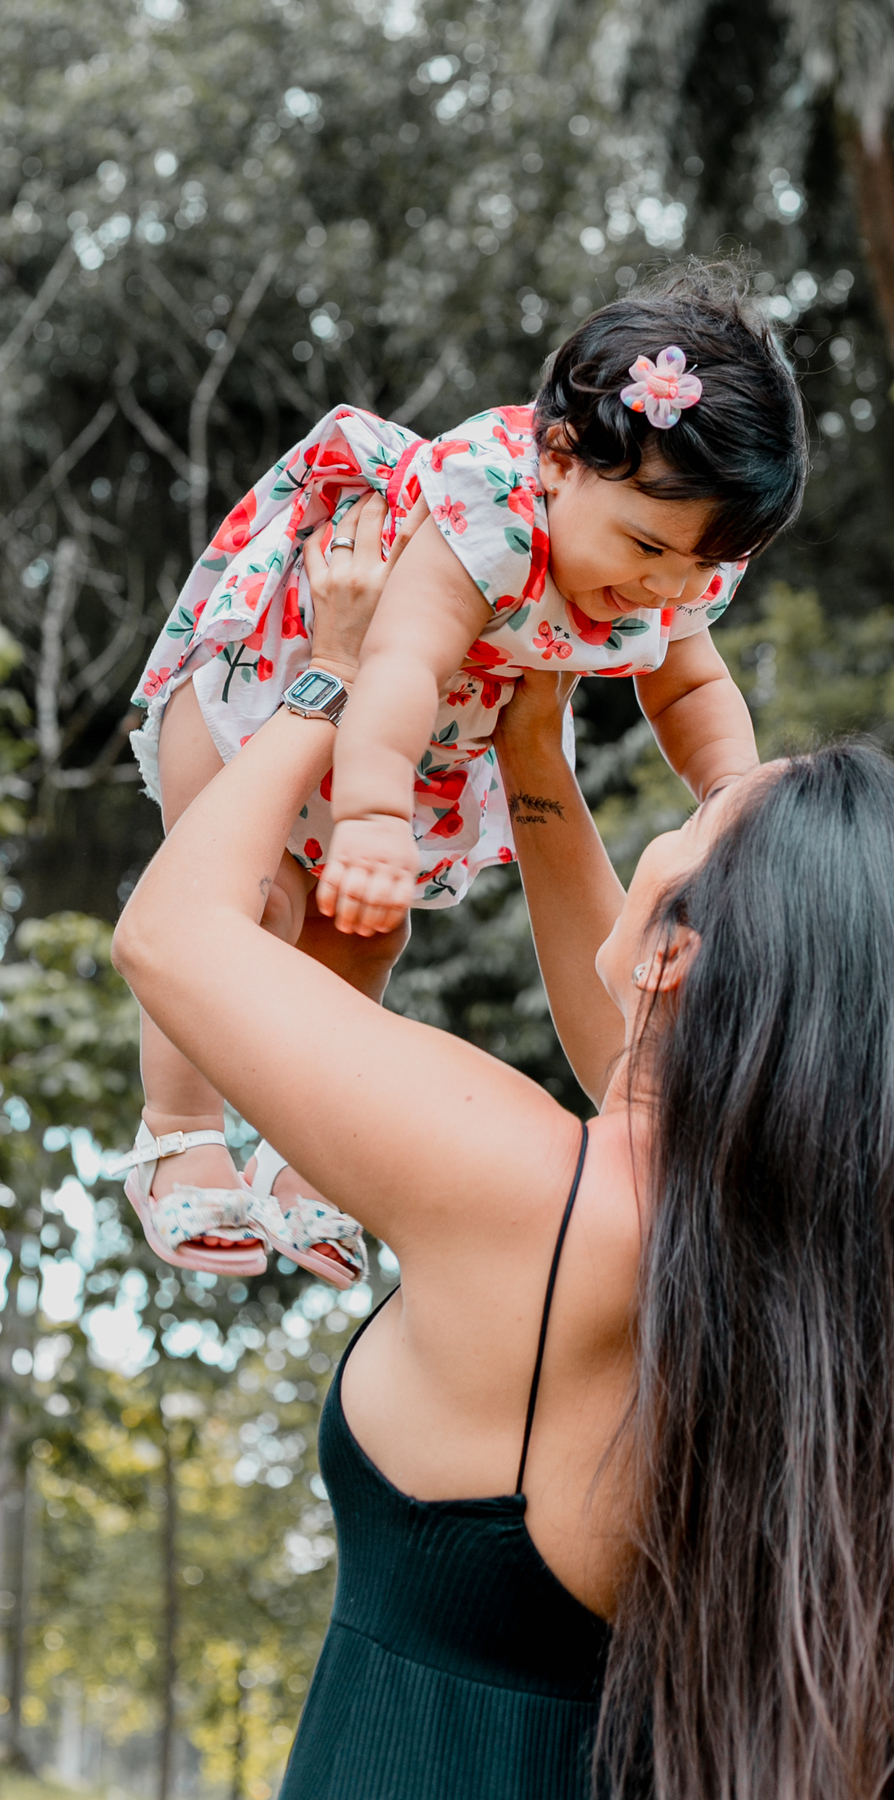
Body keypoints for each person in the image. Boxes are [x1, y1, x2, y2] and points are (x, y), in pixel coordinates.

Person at [112, 553, 894, 1797]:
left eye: (685, 827)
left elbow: (171, 935)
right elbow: (634, 1064)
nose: (661, 832)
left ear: (677, 958)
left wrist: (330, 675)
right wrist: (531, 757)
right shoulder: (794, 1278)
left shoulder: (526, 1188)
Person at [117, 263, 806, 1280]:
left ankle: (304, 1160)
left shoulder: (674, 559)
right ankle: (178, 1135)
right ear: (562, 459)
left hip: (417, 740)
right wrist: (369, 820)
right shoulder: (487, 502)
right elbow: (398, 661)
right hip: (275, 687)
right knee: (252, 906)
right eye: (646, 548)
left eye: (697, 570)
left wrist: (732, 796)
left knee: (365, 935)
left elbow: (690, 688)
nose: (661, 588)